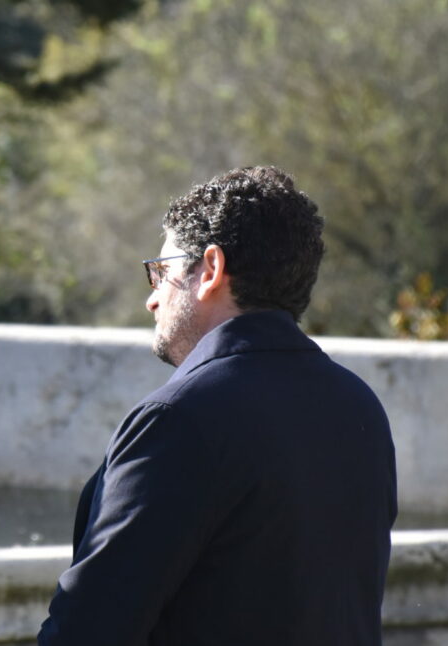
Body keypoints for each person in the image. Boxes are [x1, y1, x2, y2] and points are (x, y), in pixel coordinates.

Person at [38, 166, 398, 646]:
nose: (152, 299)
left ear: (210, 270)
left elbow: (89, 629)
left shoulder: (180, 418)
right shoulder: (359, 406)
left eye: (161, 273)